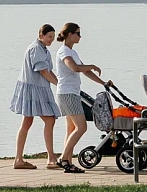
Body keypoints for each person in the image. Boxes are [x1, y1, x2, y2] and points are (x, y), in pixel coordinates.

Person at [54, 22, 111, 173]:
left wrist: (103, 83)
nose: (80, 36)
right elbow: (75, 68)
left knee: (71, 129)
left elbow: (84, 71)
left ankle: (67, 161)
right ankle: (63, 159)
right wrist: (92, 65)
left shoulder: (72, 52)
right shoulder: (64, 52)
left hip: (71, 93)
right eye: (78, 33)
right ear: (70, 35)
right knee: (82, 127)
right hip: (67, 94)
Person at [9, 24, 61, 170]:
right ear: (41, 36)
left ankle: (19, 159)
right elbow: (43, 72)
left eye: (52, 36)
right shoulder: (36, 49)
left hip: (40, 88)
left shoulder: (44, 50)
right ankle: (50, 158)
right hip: (34, 90)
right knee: (49, 119)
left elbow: (49, 71)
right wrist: (57, 84)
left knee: (28, 122)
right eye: (49, 36)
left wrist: (59, 82)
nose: (51, 39)